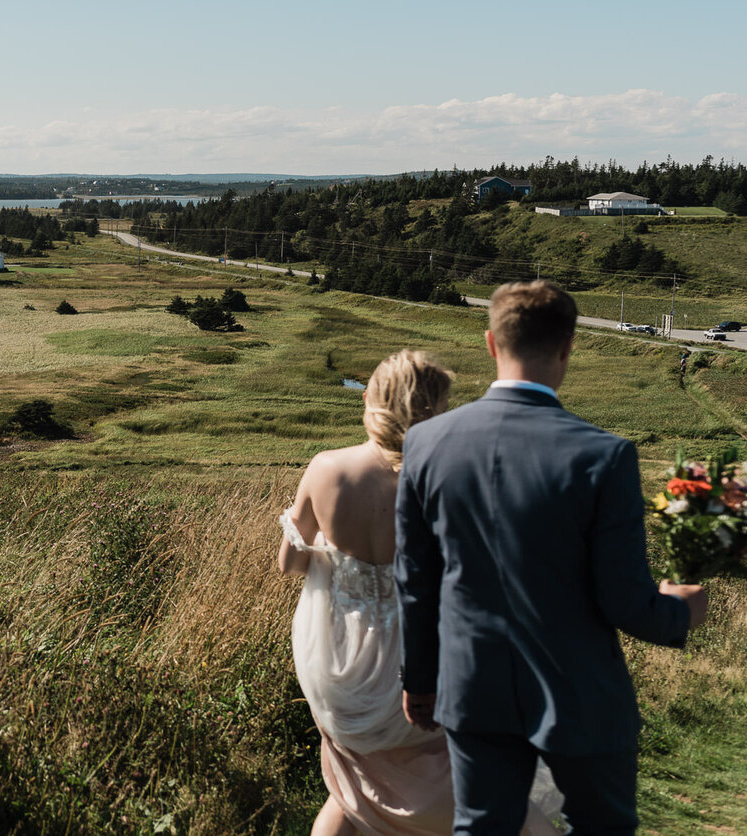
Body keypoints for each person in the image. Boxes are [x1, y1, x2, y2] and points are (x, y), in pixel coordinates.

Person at [396, 280, 708, 835]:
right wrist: (682, 611)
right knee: (600, 826)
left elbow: (416, 580)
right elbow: (622, 599)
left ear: (491, 343)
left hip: (472, 684)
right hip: (581, 690)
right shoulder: (604, 456)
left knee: (481, 826)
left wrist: (419, 680)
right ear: (568, 347)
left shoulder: (427, 444)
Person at [279, 350, 558, 835]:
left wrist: (330, 545)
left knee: (352, 787)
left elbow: (290, 563)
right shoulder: (446, 479)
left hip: (340, 664)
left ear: (372, 401)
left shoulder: (326, 469)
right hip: (423, 662)